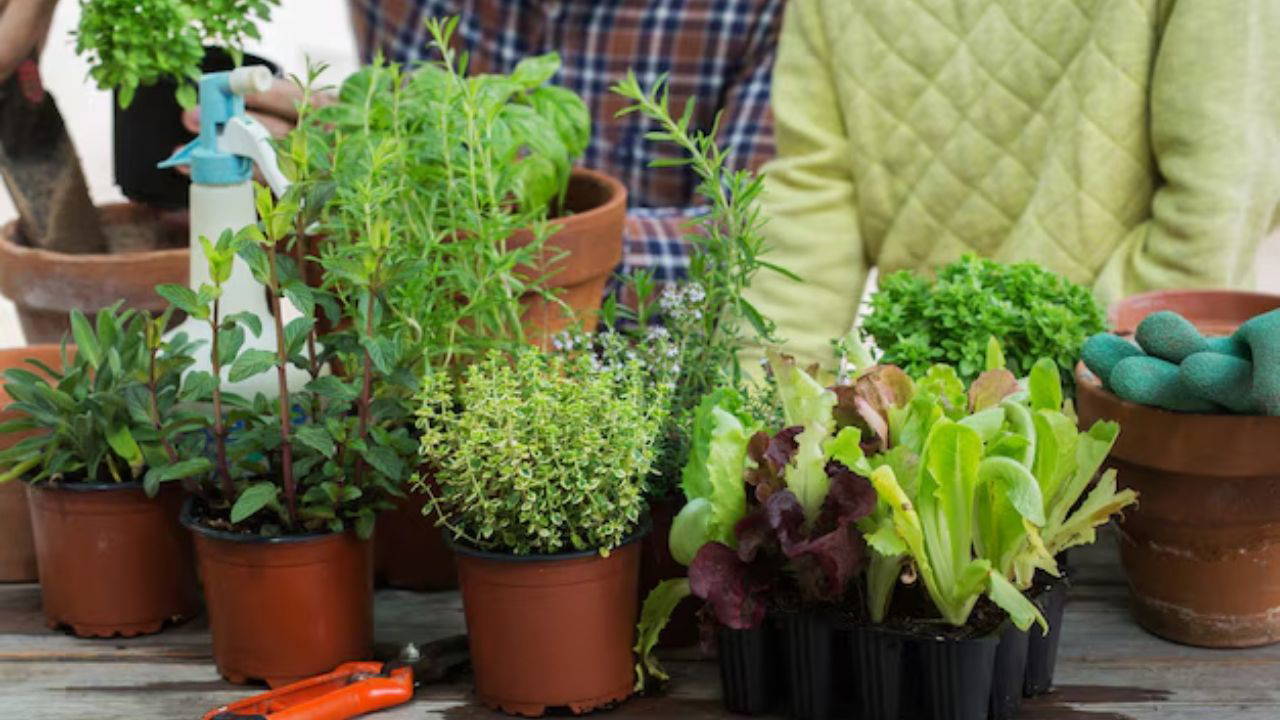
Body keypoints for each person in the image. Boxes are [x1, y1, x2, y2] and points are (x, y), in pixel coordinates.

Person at [741, 0, 1280, 369]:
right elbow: (812, 198)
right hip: (937, 419)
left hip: (1129, 404)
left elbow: (1217, 203)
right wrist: (760, 424)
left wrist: (1094, 366)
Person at [177, 0, 783, 291]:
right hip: (427, 369)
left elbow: (753, 248)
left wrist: (488, 242)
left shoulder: (765, 11)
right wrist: (350, 159)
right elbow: (397, 131)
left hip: (651, 379)